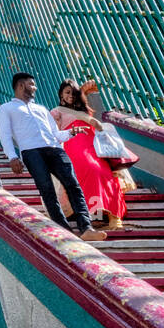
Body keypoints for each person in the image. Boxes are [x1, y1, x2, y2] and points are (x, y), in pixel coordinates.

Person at [0, 72, 106, 242]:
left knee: (73, 185)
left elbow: (55, 134)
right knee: (47, 190)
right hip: (31, 152)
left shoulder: (41, 109)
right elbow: (4, 134)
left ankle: (86, 227)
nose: (35, 87)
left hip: (54, 149)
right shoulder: (6, 109)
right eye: (32, 84)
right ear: (21, 86)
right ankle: (64, 231)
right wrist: (12, 156)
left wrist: (71, 132)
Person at [52, 79, 127, 231]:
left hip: (94, 146)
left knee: (106, 172)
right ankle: (91, 214)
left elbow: (102, 84)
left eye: (73, 93)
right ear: (60, 94)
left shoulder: (83, 110)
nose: (70, 96)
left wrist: (85, 89)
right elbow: (54, 134)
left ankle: (114, 215)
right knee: (88, 170)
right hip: (74, 146)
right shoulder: (56, 111)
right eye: (67, 92)